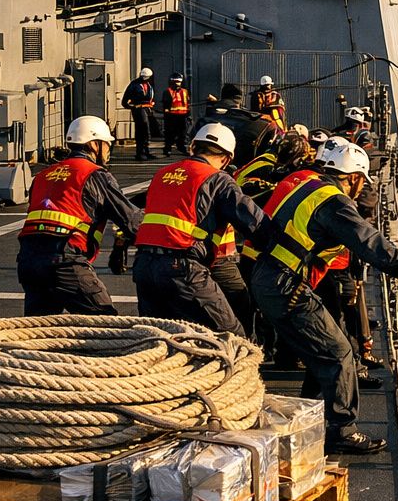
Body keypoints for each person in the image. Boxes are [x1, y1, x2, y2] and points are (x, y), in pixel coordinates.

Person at [246, 138, 398, 455]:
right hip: (285, 285)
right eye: (361, 181)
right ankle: (341, 430)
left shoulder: (307, 184)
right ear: (353, 177)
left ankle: (308, 419)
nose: (362, 188)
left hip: (268, 277)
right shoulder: (334, 200)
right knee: (339, 353)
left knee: (318, 353)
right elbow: (366, 239)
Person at [132, 122, 274, 335]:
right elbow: (255, 223)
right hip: (182, 269)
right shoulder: (218, 179)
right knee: (231, 335)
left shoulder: (162, 174)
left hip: (144, 267)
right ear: (226, 159)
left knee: (159, 336)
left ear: (193, 147)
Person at [17, 116, 143, 316]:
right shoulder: (95, 175)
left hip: (29, 262)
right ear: (94, 144)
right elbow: (131, 221)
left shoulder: (43, 175)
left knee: (40, 327)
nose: (109, 150)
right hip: (65, 261)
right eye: (107, 144)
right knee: (106, 324)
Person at [121, 67, 157, 160]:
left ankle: (146, 151)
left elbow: (150, 97)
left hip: (147, 109)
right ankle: (140, 152)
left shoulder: (149, 85)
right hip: (139, 110)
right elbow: (125, 100)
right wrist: (132, 107)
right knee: (142, 130)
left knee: (147, 131)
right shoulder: (134, 85)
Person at [160, 73, 192, 157]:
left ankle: (181, 147)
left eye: (179, 82)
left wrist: (188, 115)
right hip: (171, 116)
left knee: (183, 134)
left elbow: (187, 104)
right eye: (175, 82)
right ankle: (167, 149)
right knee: (170, 133)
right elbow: (165, 105)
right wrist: (166, 115)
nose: (177, 84)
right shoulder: (167, 92)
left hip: (183, 116)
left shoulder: (185, 92)